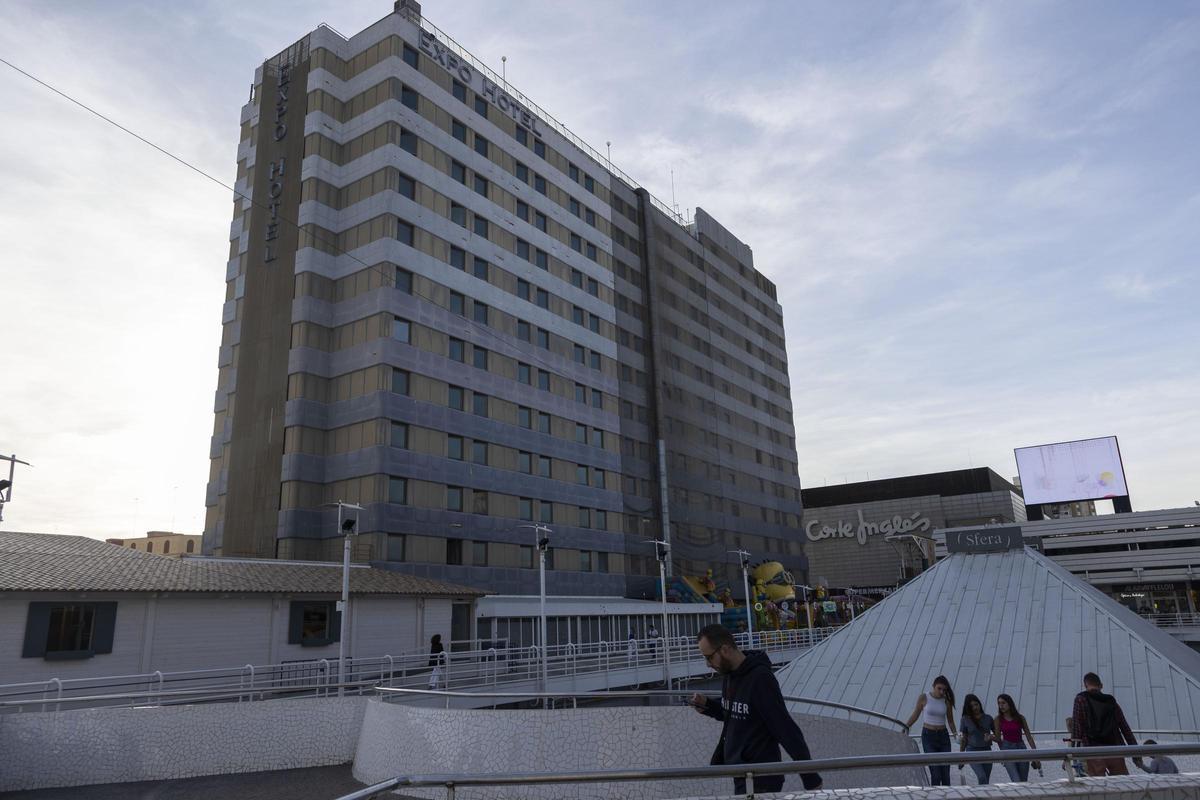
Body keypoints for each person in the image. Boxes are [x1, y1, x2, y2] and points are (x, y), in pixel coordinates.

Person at [689, 624, 822, 794]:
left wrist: (811, 779)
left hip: (760, 777)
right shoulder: (730, 674)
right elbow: (736, 712)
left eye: (709, 657)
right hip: (742, 773)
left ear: (725, 649)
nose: (707, 664)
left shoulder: (760, 679)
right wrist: (708, 705)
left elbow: (785, 729)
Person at [1071, 672, 1136, 776]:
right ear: (1101, 685)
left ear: (1085, 685)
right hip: (1115, 749)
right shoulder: (1111, 701)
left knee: (1099, 785)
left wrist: (1071, 754)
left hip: (1093, 750)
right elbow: (1125, 727)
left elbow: (1076, 729)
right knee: (1121, 783)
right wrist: (1136, 754)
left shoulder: (1081, 699)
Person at [904, 676, 957, 786]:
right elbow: (916, 714)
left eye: (944, 690)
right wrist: (906, 726)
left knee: (945, 772)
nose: (941, 692)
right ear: (934, 686)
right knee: (935, 772)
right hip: (928, 736)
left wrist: (956, 734)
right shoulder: (924, 697)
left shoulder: (946, 701)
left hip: (943, 736)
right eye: (939, 688)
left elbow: (950, 721)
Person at [993, 694, 1038, 782]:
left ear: (1009, 703)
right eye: (999, 703)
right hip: (1007, 749)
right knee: (1016, 780)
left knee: (1023, 780)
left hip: (1021, 747)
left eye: (1003, 703)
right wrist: (991, 737)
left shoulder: (1020, 718)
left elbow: (1029, 737)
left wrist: (1036, 756)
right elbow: (998, 738)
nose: (1001, 706)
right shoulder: (998, 719)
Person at [958, 694, 994, 784]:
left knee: (986, 779)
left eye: (976, 704)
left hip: (987, 751)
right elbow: (964, 739)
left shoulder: (988, 718)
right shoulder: (965, 719)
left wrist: (991, 737)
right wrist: (961, 758)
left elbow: (997, 735)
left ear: (979, 704)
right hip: (972, 751)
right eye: (971, 706)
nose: (974, 707)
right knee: (981, 776)